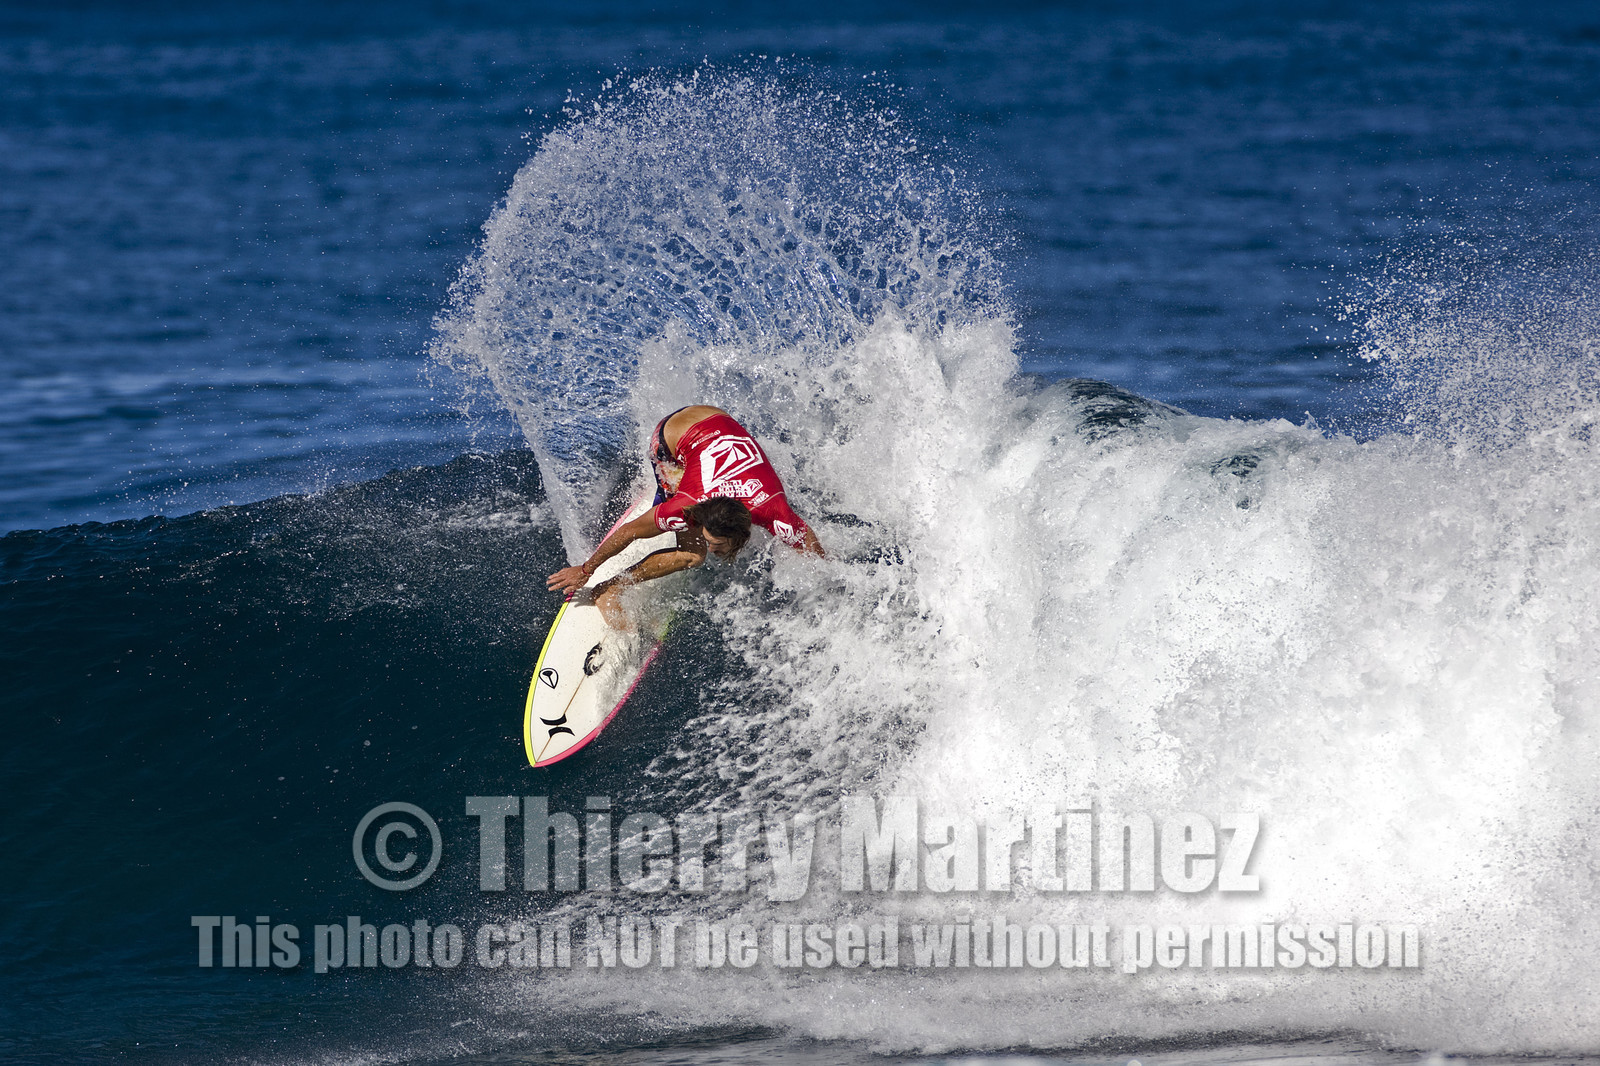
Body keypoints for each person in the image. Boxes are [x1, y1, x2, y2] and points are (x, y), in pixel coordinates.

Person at [546, 405, 824, 627]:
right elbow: (628, 531)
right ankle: (610, 590)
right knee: (692, 555)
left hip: (713, 416)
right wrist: (586, 570)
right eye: (711, 541)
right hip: (670, 438)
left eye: (716, 544)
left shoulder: (774, 509)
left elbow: (815, 553)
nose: (712, 549)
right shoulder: (686, 506)